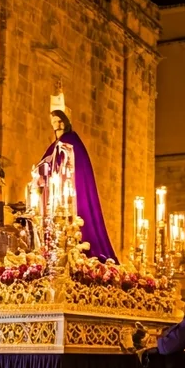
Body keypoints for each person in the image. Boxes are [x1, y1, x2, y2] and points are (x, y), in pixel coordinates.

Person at [37, 107, 118, 262]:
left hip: (70, 191)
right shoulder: (55, 145)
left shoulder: (72, 141)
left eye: (60, 120)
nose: (57, 124)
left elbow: (72, 164)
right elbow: (45, 164)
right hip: (56, 193)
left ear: (66, 122)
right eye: (54, 121)